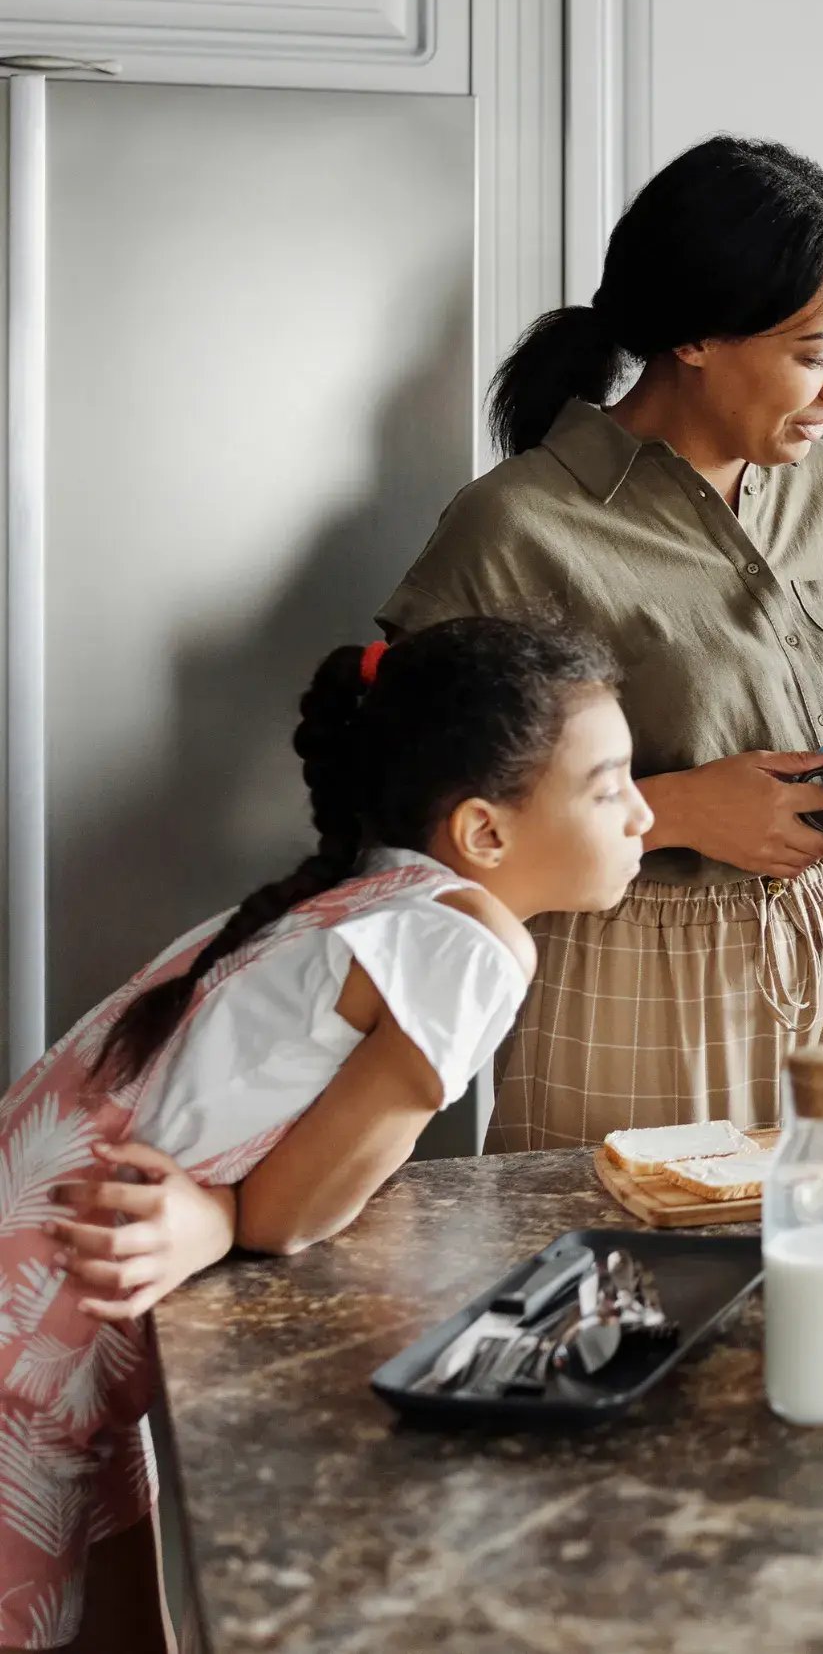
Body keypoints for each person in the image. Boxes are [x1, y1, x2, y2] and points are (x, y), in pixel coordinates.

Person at [0, 618, 647, 1654]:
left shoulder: (358, 899)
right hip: (41, 1330)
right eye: (610, 786)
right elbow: (291, 1213)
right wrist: (222, 1217)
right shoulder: (470, 941)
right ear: (484, 832)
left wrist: (216, 1214)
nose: (643, 814)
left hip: (52, 1301)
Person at [378, 136, 823, 1147]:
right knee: (636, 1287)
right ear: (694, 336)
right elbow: (415, 823)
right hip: (628, 978)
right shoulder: (520, 527)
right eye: (815, 351)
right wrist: (670, 812)